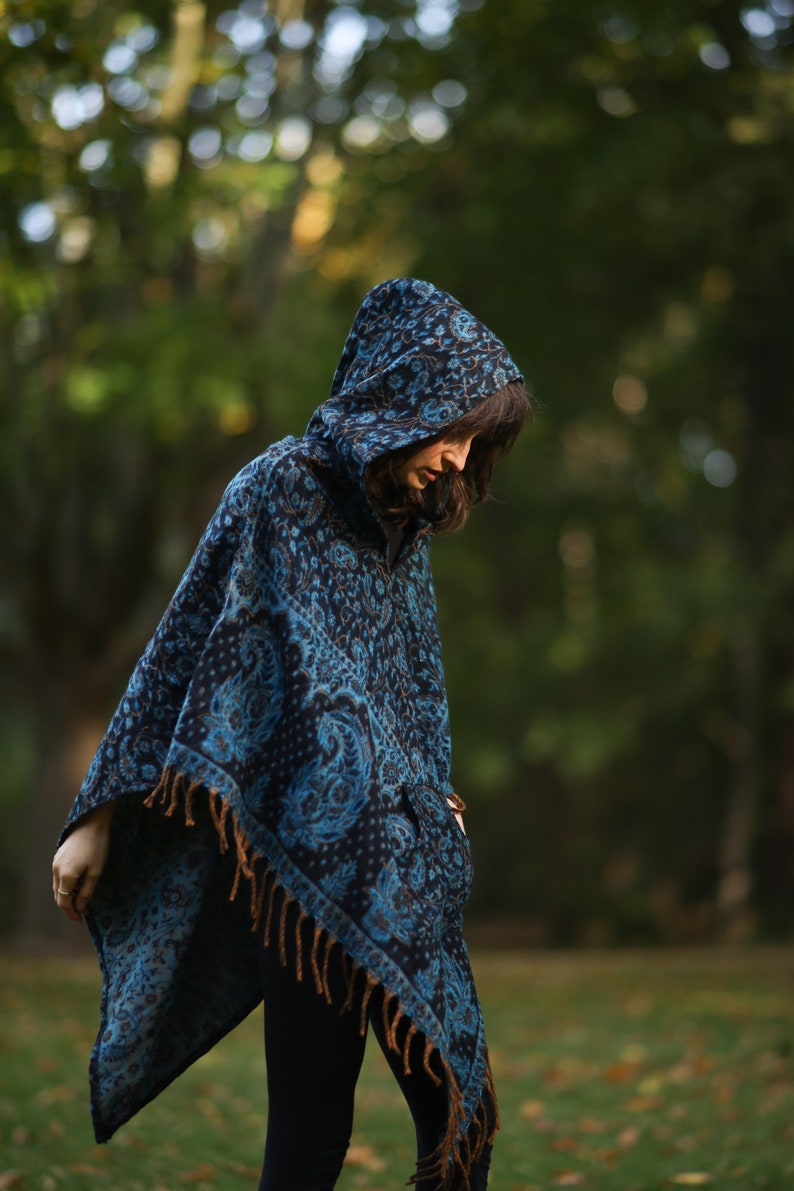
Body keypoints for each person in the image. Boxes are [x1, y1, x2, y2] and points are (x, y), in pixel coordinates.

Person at [52, 277, 531, 1191]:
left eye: (479, 442)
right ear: (403, 392)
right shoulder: (274, 489)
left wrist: (439, 797)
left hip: (401, 864)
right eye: (453, 429)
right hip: (299, 868)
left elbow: (414, 694)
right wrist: (97, 815)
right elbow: (180, 648)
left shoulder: (403, 535)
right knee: (312, 1126)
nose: (460, 460)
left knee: (460, 1114)